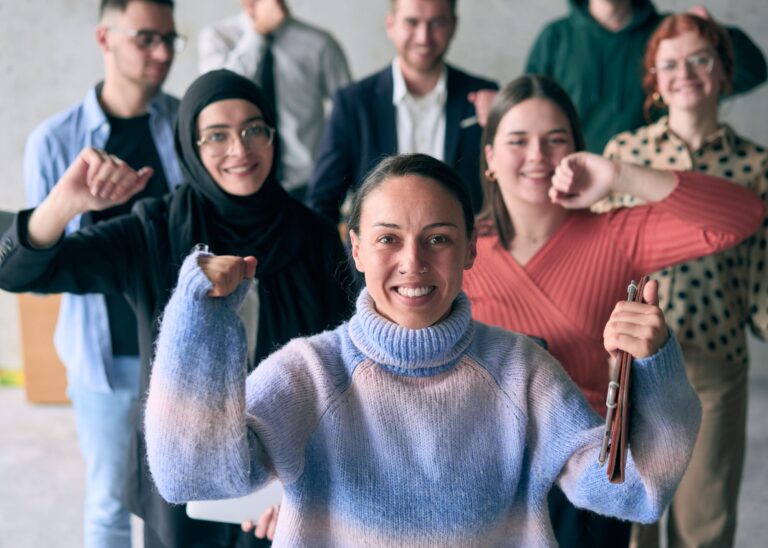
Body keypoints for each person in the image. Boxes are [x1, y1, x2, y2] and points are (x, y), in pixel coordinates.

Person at [144, 152, 703, 546]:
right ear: (357, 250)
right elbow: (191, 476)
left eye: (438, 238)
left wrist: (654, 366)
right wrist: (202, 316)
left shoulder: (522, 371)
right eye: (388, 239)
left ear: (468, 252)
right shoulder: (310, 373)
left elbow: (633, 493)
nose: (413, 261)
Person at [0, 70, 352, 548]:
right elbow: (21, 272)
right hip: (181, 477)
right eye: (217, 136)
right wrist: (66, 202)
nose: (240, 149)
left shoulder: (312, 235)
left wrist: (306, 480)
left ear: (273, 135)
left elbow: (339, 367)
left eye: (254, 129)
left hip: (283, 481)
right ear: (191, 144)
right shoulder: (156, 228)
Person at [460, 74, 764, 547]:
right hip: (484, 480)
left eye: (555, 140)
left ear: (577, 151)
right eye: (518, 141)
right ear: (490, 159)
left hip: (589, 485)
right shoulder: (457, 249)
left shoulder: (614, 235)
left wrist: (619, 175)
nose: (538, 155)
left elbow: (742, 215)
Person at [591, 14, 768, 548]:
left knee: (705, 527)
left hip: (714, 368)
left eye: (699, 59)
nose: (684, 73)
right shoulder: (625, 154)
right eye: (669, 63)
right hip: (634, 370)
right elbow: (597, 259)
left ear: (721, 74)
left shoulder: (755, 166)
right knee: (633, 524)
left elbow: (762, 277)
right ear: (655, 82)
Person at [22, 1, 184, 545]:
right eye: (146, 38)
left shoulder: (187, 125)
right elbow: (39, 262)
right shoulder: (54, 140)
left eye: (169, 39)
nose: (161, 53)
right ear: (103, 38)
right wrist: (71, 204)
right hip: (104, 358)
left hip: (180, 350)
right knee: (110, 504)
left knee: (183, 502)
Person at [468, 0, 766, 153]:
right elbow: (533, 115)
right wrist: (503, 110)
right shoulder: (556, 37)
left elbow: (752, 71)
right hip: (573, 188)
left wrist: (713, 32)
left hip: (660, 180)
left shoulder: (669, 35)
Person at [307, 0, 497, 223]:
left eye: (437, 22)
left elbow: (505, 191)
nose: (423, 37)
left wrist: (507, 119)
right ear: (391, 25)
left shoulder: (485, 96)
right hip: (374, 255)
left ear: (453, 26)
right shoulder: (353, 103)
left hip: (468, 254)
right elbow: (321, 203)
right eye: (411, 22)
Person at [198, 0, 351, 200]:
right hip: (239, 180)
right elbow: (218, 94)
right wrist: (258, 32)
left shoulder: (319, 43)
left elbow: (349, 113)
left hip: (307, 188)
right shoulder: (217, 38)